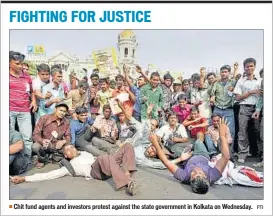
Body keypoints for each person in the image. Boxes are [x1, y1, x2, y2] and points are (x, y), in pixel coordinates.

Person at [10, 143, 138, 196]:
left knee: (127, 146)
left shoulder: (84, 153)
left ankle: (126, 173)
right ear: (66, 155)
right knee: (104, 157)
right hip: (96, 170)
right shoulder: (68, 167)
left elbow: (105, 158)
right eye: (68, 149)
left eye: (72, 147)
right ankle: (126, 182)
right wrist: (24, 178)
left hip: (106, 163)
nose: (72, 149)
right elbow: (47, 175)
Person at [150, 118, 230, 194]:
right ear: (206, 177)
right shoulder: (212, 176)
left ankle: (191, 144)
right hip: (201, 154)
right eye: (200, 173)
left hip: (187, 157)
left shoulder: (184, 176)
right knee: (198, 142)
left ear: (190, 180)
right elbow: (225, 157)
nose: (196, 170)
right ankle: (198, 139)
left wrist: (155, 142)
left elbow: (166, 162)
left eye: (193, 174)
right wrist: (222, 135)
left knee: (174, 150)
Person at [32, 103, 71, 168]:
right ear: (55, 109)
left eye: (64, 111)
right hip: (46, 144)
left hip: (57, 145)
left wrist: (63, 141)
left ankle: (53, 156)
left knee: (70, 147)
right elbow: (35, 134)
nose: (62, 113)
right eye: (60, 110)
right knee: (35, 146)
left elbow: (68, 135)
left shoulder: (66, 121)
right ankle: (41, 159)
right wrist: (42, 141)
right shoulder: (44, 118)